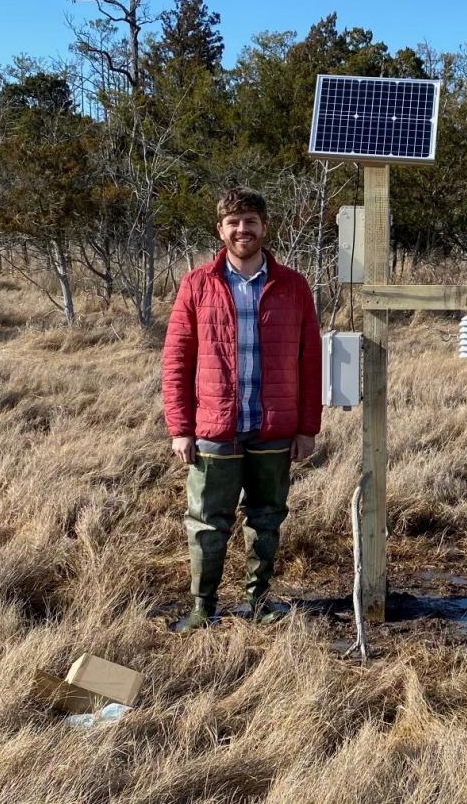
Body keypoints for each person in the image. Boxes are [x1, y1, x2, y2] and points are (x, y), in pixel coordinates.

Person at [162, 186, 323, 631]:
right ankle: (202, 607)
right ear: (221, 230)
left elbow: (310, 359)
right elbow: (176, 360)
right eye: (233, 222)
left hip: (273, 427)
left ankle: (259, 600)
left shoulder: (292, 285)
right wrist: (181, 427)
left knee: (267, 518)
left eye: (250, 221)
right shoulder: (197, 284)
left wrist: (307, 426)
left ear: (264, 227)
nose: (242, 229)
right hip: (215, 428)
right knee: (207, 523)